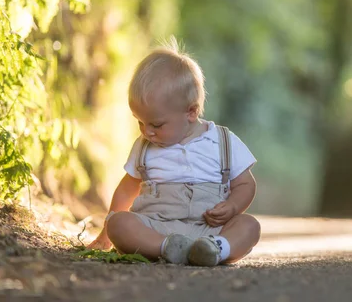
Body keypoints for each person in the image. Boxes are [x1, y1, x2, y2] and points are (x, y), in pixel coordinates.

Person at [88, 39, 260, 266]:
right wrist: (105, 234)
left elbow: (246, 184)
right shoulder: (144, 147)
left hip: (211, 229)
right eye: (140, 122)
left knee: (250, 226)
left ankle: (215, 249)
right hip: (157, 227)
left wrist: (233, 206)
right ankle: (168, 247)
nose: (146, 131)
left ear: (191, 112)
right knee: (118, 223)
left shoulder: (222, 141)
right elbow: (126, 189)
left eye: (156, 125)